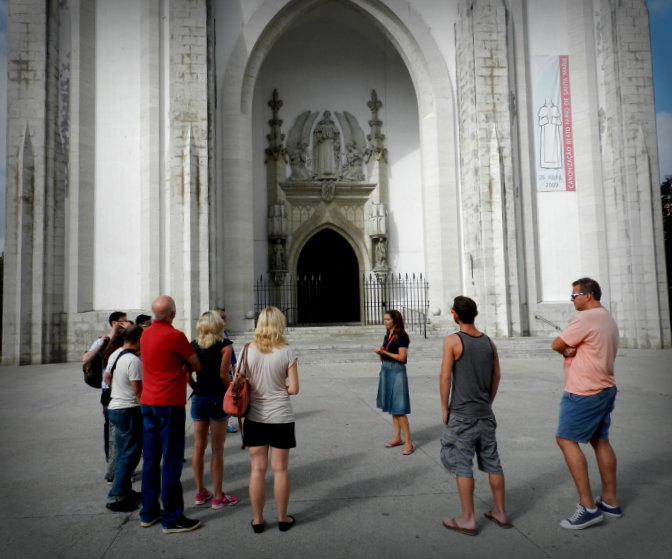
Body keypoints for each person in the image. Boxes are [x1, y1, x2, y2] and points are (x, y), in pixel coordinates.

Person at [551, 277, 621, 530]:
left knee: (565, 439)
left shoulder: (585, 318)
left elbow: (558, 344)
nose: (572, 300)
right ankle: (610, 501)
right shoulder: (606, 317)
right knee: (599, 440)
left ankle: (588, 507)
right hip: (605, 387)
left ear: (587, 295)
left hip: (584, 390)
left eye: (574, 296)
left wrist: (566, 350)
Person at [439, 296, 509, 536]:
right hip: (485, 414)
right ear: (476, 314)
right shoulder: (489, 343)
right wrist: (487, 402)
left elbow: (445, 377)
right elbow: (496, 376)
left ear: (453, 313)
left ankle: (468, 518)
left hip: (462, 415)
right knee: (493, 463)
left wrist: (445, 407)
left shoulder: (453, 341)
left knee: (462, 464)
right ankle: (499, 511)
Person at [140, 296, 202, 534]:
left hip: (148, 401)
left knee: (151, 458)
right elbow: (196, 364)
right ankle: (172, 516)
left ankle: (148, 511)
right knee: (172, 459)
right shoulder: (175, 336)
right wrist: (183, 365)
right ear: (173, 313)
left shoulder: (145, 334)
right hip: (169, 402)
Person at [235, 306, 299, 533]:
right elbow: (294, 389)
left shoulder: (247, 350)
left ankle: (258, 519)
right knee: (280, 469)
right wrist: (280, 387)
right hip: (281, 415)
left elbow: (238, 383)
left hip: (255, 416)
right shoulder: (287, 351)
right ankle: (282, 518)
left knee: (257, 470)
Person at [188, 311, 239, 510]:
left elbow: (187, 373)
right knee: (217, 448)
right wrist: (232, 390)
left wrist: (195, 387)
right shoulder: (225, 345)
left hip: (199, 397)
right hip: (217, 397)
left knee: (199, 447)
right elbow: (223, 374)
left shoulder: (193, 345)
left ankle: (201, 492)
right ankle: (218, 495)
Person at [82, 311, 128, 483]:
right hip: (109, 392)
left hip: (125, 391)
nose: (124, 325)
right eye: (121, 322)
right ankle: (112, 470)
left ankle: (121, 468)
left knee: (124, 434)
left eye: (126, 322)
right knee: (111, 431)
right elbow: (86, 359)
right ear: (113, 323)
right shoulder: (104, 340)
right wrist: (104, 341)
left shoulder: (128, 340)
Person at [105, 325, 144, 512]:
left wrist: (119, 390)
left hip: (115, 406)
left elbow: (106, 378)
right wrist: (146, 409)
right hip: (129, 409)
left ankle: (125, 490)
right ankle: (116, 496)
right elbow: (138, 389)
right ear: (138, 339)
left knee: (123, 452)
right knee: (130, 453)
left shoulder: (116, 354)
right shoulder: (133, 361)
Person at [374, 309, 414, 455]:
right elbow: (386, 356)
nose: (385, 322)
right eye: (384, 319)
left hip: (397, 371)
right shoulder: (388, 335)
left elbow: (402, 357)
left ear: (395, 321)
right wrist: (381, 353)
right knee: (392, 405)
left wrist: (384, 352)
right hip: (386, 369)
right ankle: (397, 437)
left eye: (388, 320)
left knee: (399, 407)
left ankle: (408, 442)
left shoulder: (401, 336)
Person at [217, 308, 238, 434]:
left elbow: (231, 353)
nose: (225, 320)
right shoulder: (217, 335)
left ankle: (226, 422)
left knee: (227, 395)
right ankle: (225, 423)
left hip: (229, 367)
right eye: (222, 317)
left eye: (225, 317)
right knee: (226, 395)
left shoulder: (224, 333)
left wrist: (234, 365)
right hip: (223, 369)